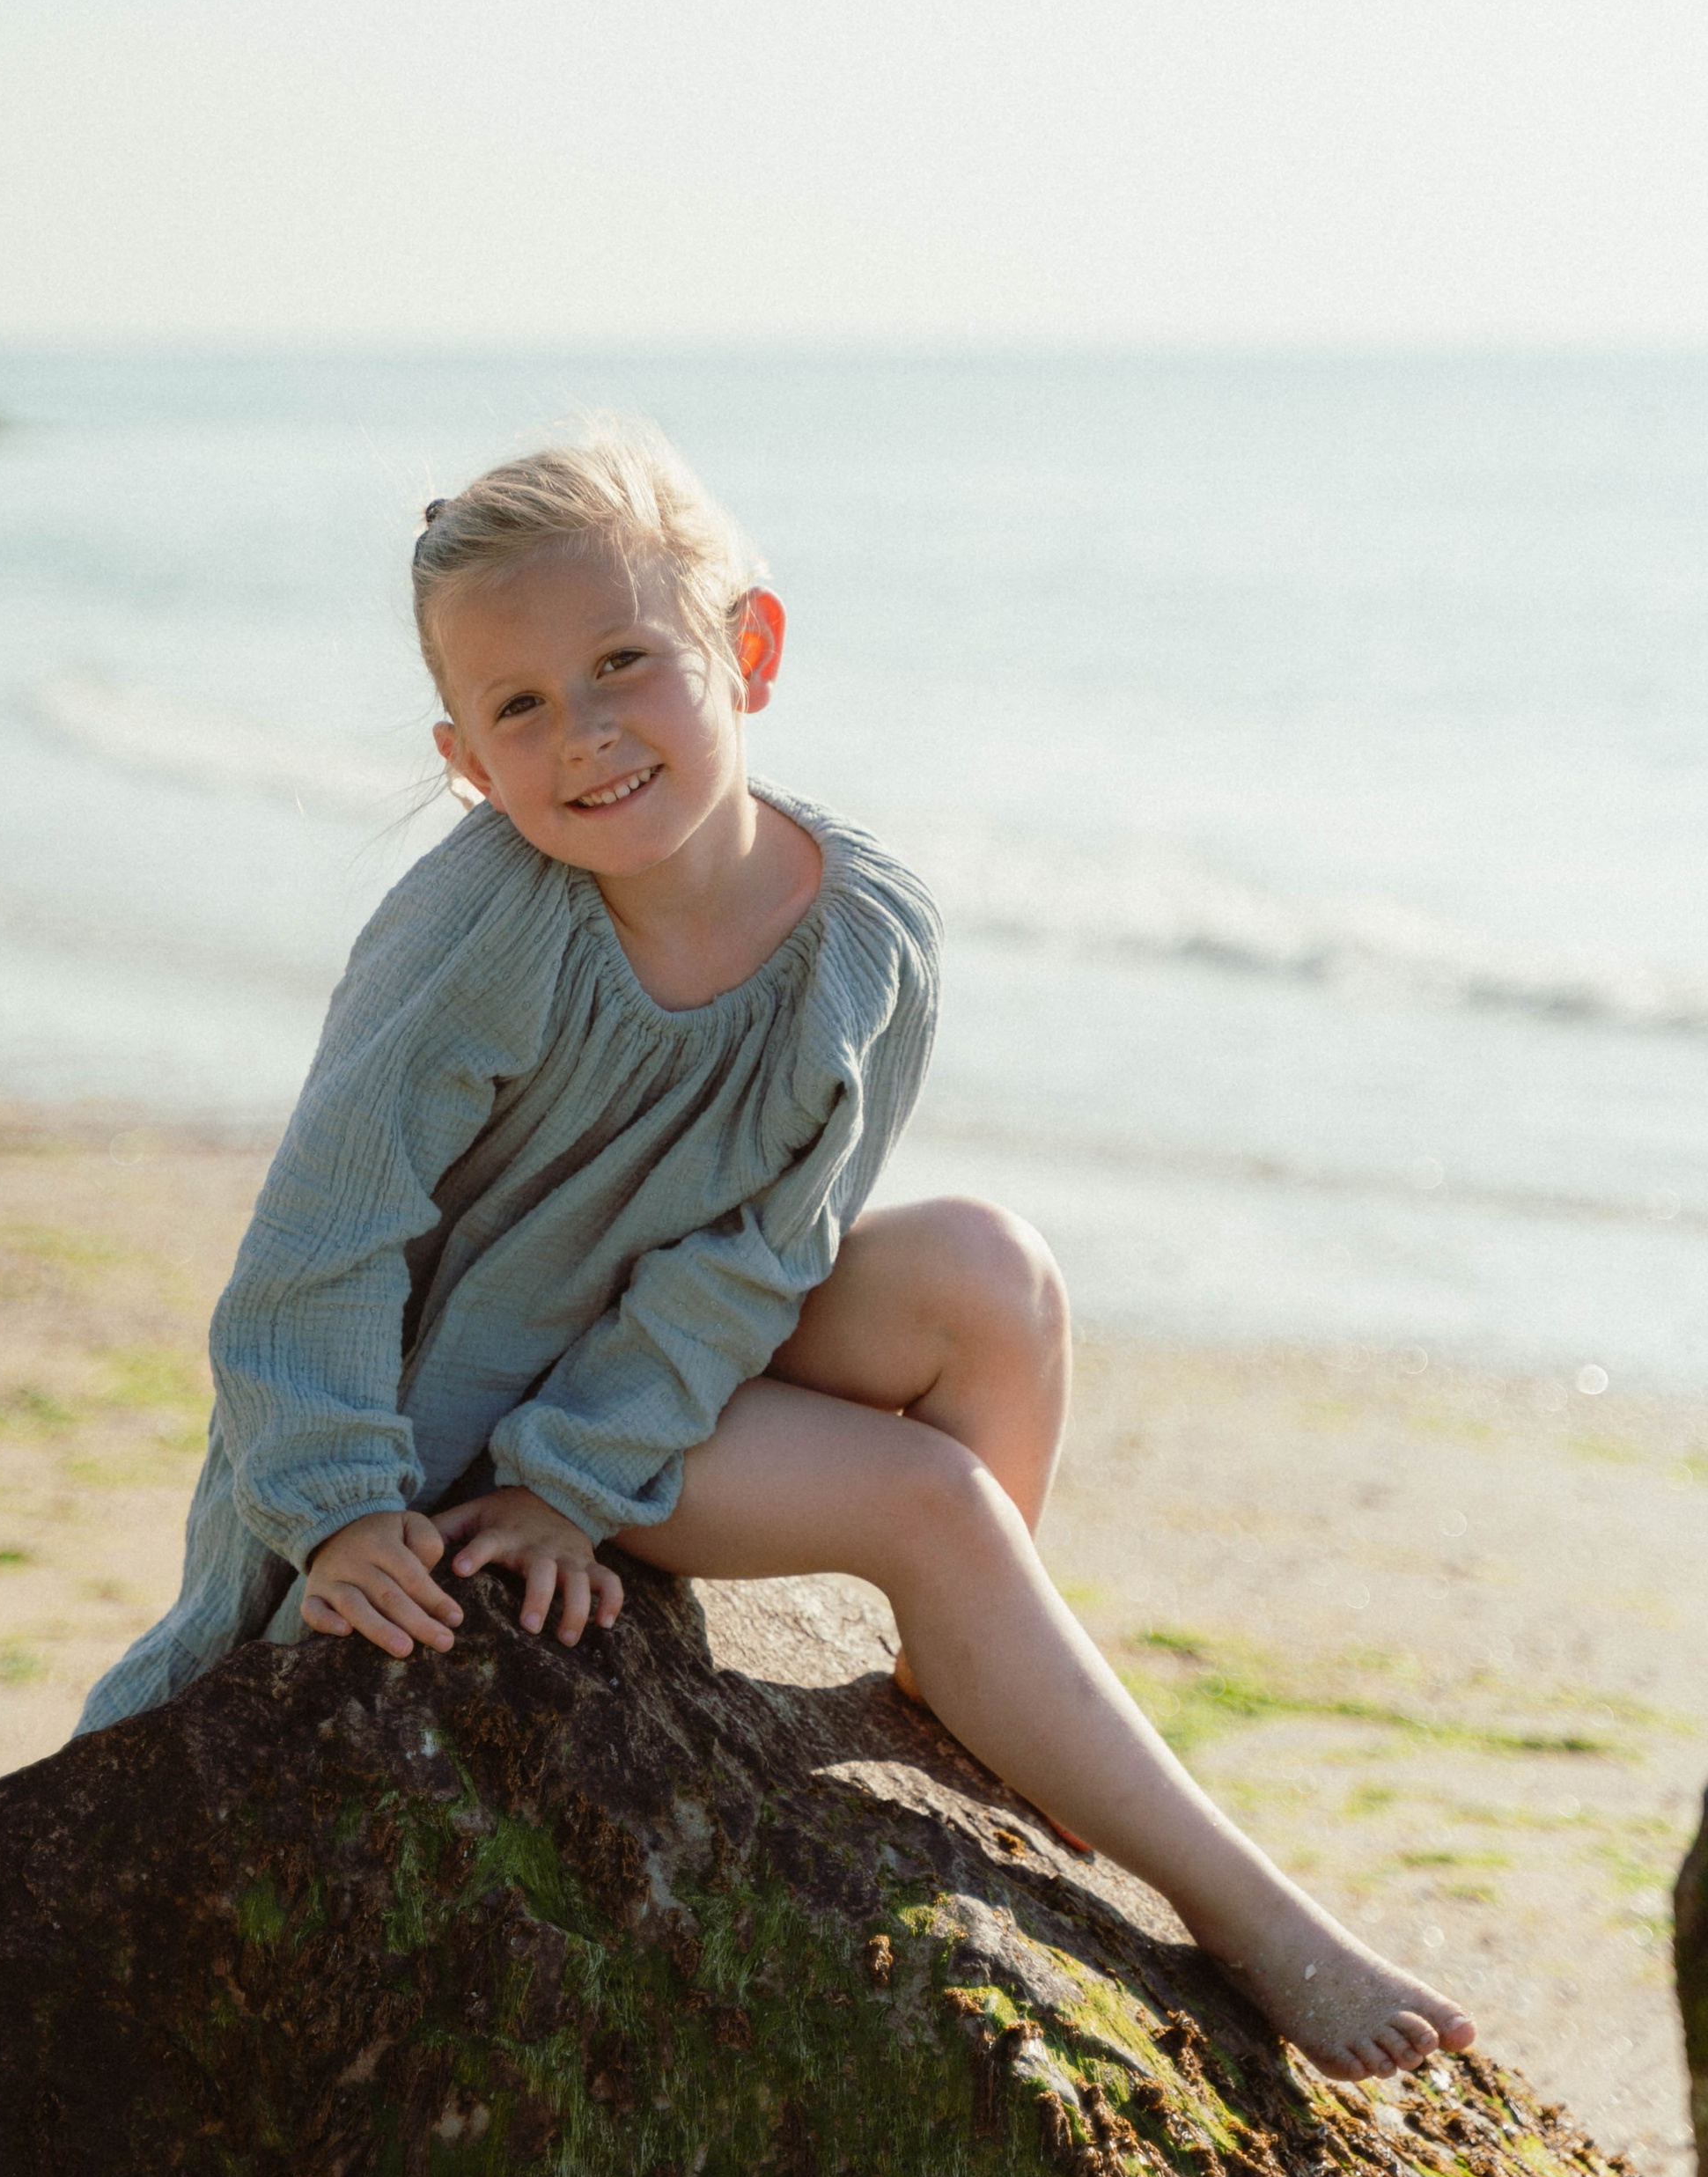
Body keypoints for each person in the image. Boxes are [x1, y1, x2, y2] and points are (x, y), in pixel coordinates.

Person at [79, 425, 1474, 2085]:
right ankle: (1248, 1911)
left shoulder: (866, 939)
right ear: (465, 759)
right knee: (925, 1499)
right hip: (453, 1423)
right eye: (520, 706)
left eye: (624, 663)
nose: (585, 733)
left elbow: (768, 1253)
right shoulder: (480, 934)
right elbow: (319, 1240)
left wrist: (588, 1463)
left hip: (642, 1371)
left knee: (993, 1274)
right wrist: (361, 1504)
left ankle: (976, 1684)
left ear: (748, 650)